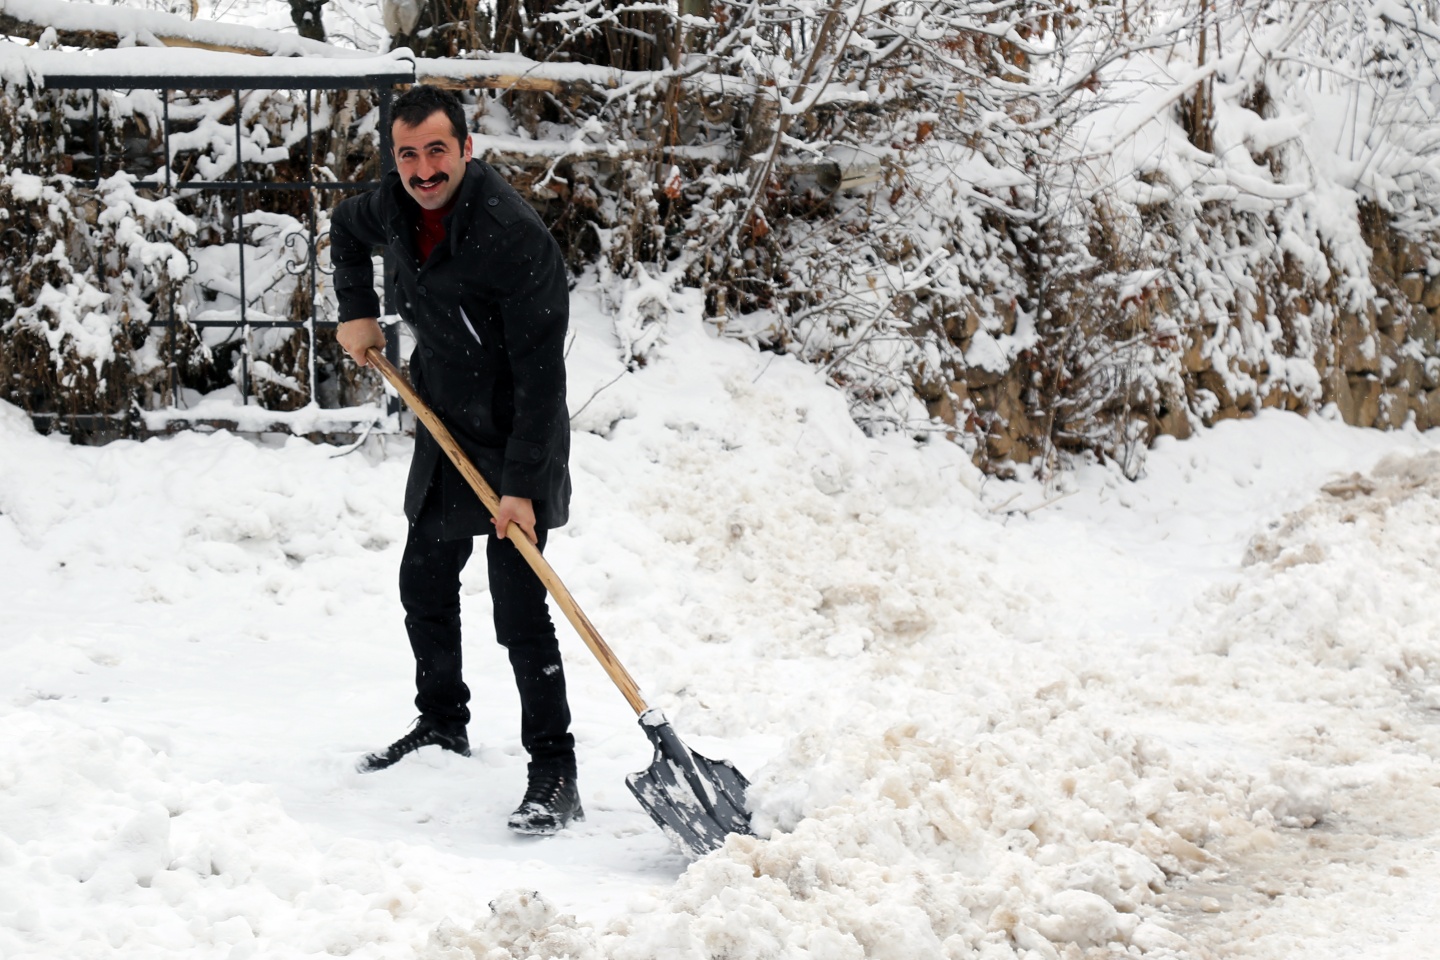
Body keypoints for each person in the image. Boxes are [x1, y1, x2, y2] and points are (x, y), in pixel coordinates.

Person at [330, 84, 580, 836]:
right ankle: (441, 722)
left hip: (514, 436)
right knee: (424, 579)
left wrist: (524, 489)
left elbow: (543, 376)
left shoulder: (513, 236)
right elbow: (345, 226)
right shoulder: (394, 206)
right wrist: (355, 310)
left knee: (519, 609)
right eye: (407, 154)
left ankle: (554, 772)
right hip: (443, 421)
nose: (423, 169)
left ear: (466, 150)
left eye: (437, 150)